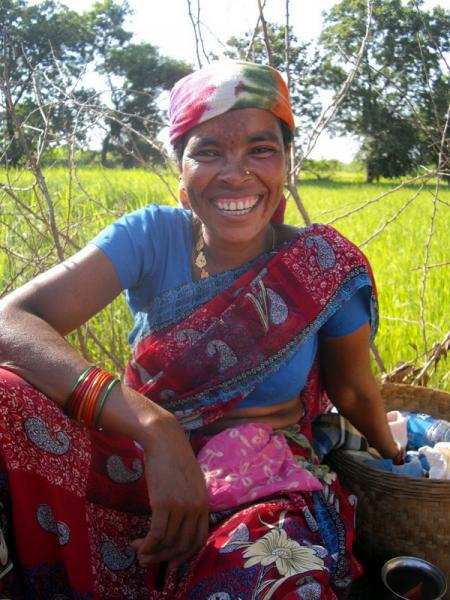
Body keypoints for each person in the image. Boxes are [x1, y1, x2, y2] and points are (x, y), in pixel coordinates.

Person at [0, 61, 401, 600]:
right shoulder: (150, 236)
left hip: (264, 479)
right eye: (209, 151)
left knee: (269, 574)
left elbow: (352, 390)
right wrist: (155, 427)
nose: (236, 173)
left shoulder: (320, 264)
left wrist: (396, 458)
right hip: (140, 466)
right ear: (182, 173)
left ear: (285, 163)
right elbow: (10, 321)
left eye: (261, 149)